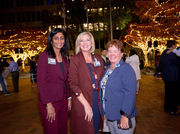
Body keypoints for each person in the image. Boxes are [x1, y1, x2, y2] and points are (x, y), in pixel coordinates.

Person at [68, 32, 104, 134]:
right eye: (81, 40)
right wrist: (87, 105)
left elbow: (103, 79)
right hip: (82, 100)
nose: (85, 43)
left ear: (92, 43)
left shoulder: (98, 58)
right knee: (85, 129)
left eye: (87, 40)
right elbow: (73, 84)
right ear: (78, 44)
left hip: (97, 100)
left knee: (95, 128)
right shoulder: (75, 59)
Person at [37, 28, 71, 134]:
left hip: (63, 101)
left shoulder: (64, 57)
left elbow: (66, 80)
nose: (59, 41)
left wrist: (69, 98)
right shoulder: (45, 55)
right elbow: (41, 82)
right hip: (50, 102)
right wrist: (48, 104)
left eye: (62, 38)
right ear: (51, 40)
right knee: (52, 130)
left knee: (62, 130)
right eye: (56, 38)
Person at [100, 39, 138, 134]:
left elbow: (130, 94)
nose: (112, 54)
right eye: (109, 51)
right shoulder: (108, 68)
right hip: (111, 115)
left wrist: (125, 115)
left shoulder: (126, 69)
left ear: (121, 54)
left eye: (115, 51)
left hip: (121, 117)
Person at [159, 40, 180, 116]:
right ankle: (173, 109)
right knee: (174, 93)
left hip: (166, 76)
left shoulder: (163, 53)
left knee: (167, 92)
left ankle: (166, 107)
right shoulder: (173, 54)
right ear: (172, 46)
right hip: (174, 76)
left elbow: (160, 65)